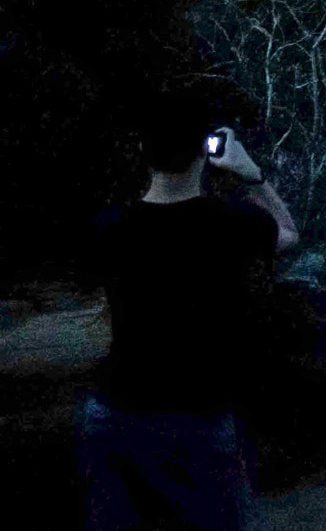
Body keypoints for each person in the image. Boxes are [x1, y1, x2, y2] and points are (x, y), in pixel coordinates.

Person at [79, 83, 300, 531]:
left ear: (144, 150)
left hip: (113, 411)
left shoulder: (110, 227)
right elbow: (289, 232)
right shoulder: (231, 225)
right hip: (199, 415)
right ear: (204, 150)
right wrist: (250, 172)